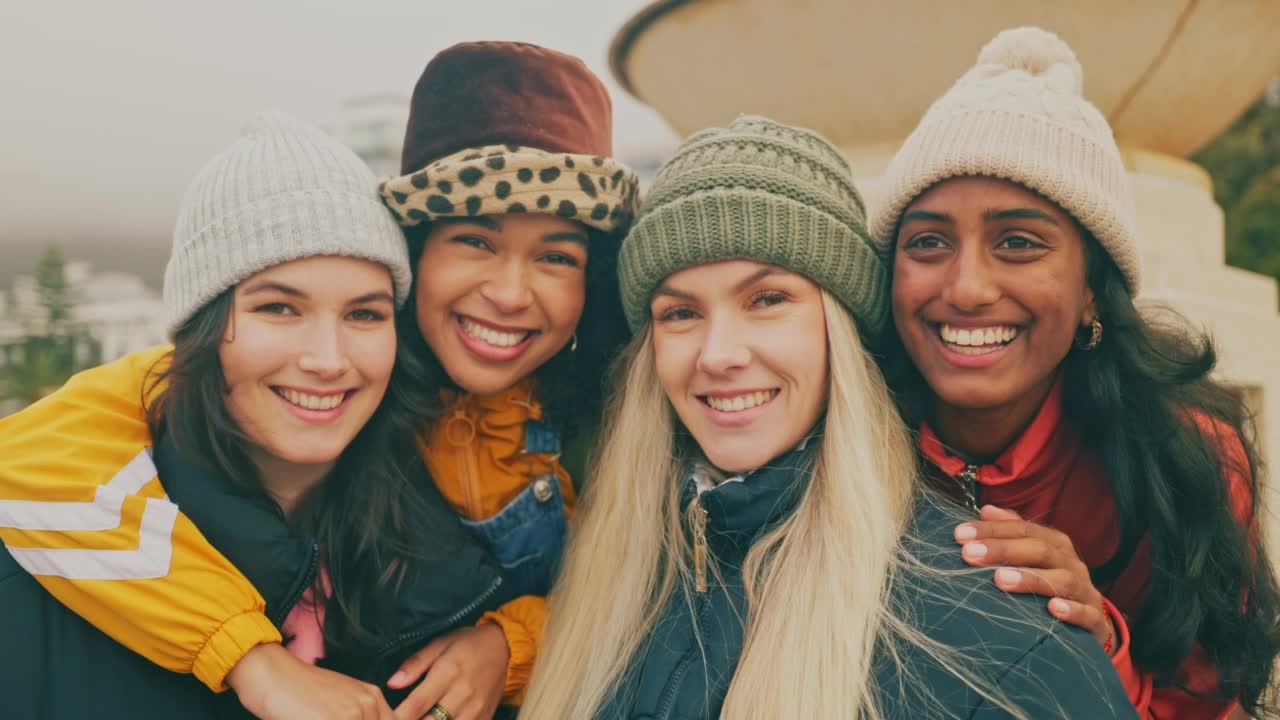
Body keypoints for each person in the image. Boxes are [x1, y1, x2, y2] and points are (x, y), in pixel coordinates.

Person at [0, 42, 639, 720]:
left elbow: (646, 605)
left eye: (363, 314)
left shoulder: (604, 425)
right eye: (279, 307)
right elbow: (28, 456)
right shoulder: (101, 488)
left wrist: (508, 645)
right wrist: (248, 655)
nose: (327, 358)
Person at [519, 115, 1137, 719]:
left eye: (767, 299)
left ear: (839, 329)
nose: (718, 354)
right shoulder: (603, 582)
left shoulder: (996, 632)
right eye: (680, 313)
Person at [870, 27, 1280, 719]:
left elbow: (1214, 705)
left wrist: (1098, 646)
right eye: (929, 241)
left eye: (1019, 242)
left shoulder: (1187, 458)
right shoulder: (835, 436)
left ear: (1093, 285)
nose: (967, 287)